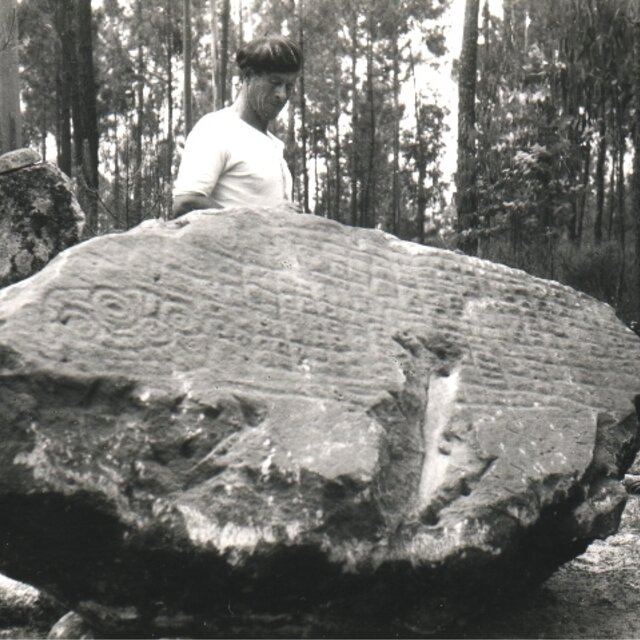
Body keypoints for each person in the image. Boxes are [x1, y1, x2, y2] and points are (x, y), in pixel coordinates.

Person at [171, 35, 303, 218]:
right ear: (248, 77)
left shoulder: (274, 145)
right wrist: (265, 219)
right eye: (274, 83)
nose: (281, 95)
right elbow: (185, 203)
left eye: (289, 86)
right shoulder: (216, 129)